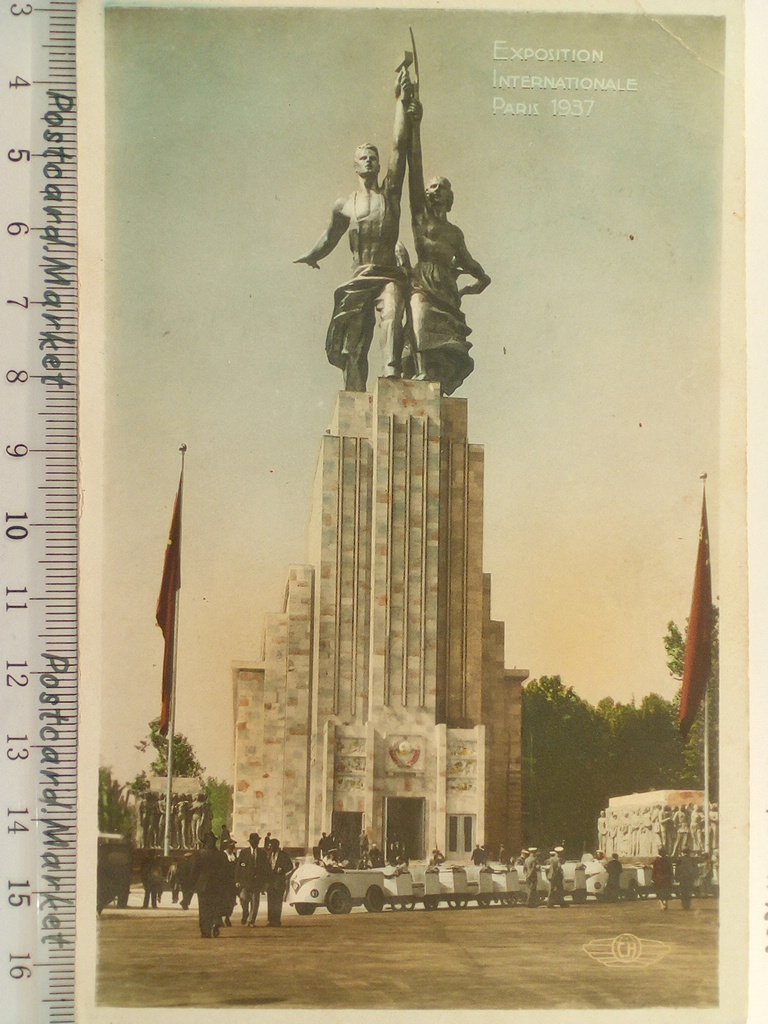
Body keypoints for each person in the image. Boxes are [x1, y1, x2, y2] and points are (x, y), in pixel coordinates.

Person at [296, 67, 414, 392]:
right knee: (355, 344)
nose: (370, 161)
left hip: (387, 275)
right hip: (358, 278)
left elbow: (399, 146)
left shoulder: (390, 195)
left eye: (374, 157)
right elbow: (330, 237)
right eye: (364, 158)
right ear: (355, 165)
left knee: (393, 311)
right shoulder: (344, 205)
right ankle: (354, 392)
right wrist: (311, 255)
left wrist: (400, 101)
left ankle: (391, 375)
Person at [401, 91, 490, 396]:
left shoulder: (454, 234)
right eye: (432, 186)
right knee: (417, 317)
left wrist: (471, 285)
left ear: (449, 197)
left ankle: (432, 376)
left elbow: (475, 268)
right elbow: (415, 167)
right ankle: (420, 370)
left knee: (441, 340)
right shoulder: (419, 218)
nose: (436, 190)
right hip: (422, 283)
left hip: (447, 292)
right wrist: (415, 125)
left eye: (442, 187)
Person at [190, 831, 229, 939]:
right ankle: (216, 922)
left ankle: (205, 930)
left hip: (203, 885)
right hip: (217, 885)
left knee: (204, 909)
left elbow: (195, 871)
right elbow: (227, 872)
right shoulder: (221, 855)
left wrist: (193, 885)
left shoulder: (200, 854)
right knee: (215, 906)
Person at [236, 832, 269, 927]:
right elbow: (238, 867)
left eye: (257, 841)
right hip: (245, 881)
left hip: (257, 881)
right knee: (243, 899)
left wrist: (265, 882)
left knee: (255, 902)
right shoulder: (244, 852)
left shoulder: (262, 853)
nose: (255, 843)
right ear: (250, 842)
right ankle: (245, 912)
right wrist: (237, 880)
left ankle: (251, 920)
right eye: (254, 841)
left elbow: (266, 868)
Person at [265, 838, 295, 927]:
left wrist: (282, 869)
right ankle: (271, 920)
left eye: (272, 846)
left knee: (277, 901)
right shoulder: (268, 855)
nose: (270, 848)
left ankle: (277, 920)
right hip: (270, 881)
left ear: (276, 846)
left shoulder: (283, 855)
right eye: (270, 846)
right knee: (270, 901)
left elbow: (290, 866)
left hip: (279, 880)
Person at [652, 846, 674, 910]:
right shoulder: (668, 860)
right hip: (667, 878)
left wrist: (653, 878)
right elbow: (671, 870)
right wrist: (672, 877)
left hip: (658, 879)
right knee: (666, 891)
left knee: (659, 892)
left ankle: (662, 904)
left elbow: (654, 870)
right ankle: (665, 902)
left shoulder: (656, 861)